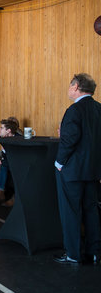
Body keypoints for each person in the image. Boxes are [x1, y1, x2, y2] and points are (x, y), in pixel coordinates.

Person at [54, 73, 101, 265]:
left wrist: (59, 162)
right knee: (91, 210)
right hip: (93, 170)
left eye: (69, 85)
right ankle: (94, 252)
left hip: (72, 170)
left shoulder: (74, 110)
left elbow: (70, 139)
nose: (68, 88)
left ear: (76, 87)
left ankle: (73, 253)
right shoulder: (99, 108)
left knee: (71, 211)